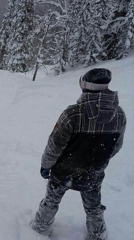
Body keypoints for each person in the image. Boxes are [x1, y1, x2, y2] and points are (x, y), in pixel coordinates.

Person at [31, 68, 126, 240]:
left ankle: (40, 229)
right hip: (93, 174)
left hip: (63, 171)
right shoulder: (119, 114)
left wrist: (46, 165)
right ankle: (97, 235)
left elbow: (55, 144)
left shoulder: (73, 113)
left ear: (85, 86)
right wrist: (97, 160)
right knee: (93, 207)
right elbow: (116, 146)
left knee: (51, 201)